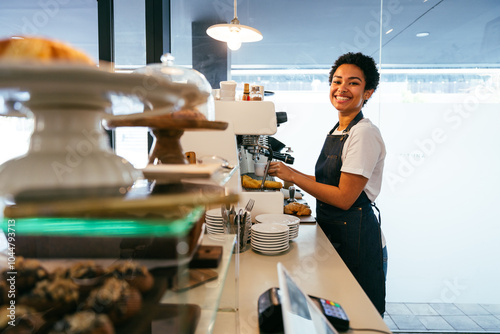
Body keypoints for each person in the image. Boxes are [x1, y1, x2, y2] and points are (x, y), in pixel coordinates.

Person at [267, 52, 386, 315]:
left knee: (358, 315)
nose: (342, 88)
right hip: (338, 233)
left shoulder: (363, 133)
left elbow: (344, 197)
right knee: (337, 310)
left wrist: (294, 176)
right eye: (336, 81)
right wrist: (287, 172)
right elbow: (326, 182)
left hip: (358, 240)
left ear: (368, 92)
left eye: (353, 83)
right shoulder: (339, 129)